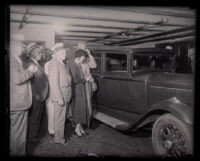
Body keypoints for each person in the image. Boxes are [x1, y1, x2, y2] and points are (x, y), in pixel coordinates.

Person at [10, 33, 38, 156]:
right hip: (18, 102)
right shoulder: (11, 60)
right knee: (19, 134)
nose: (22, 48)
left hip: (17, 101)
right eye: (20, 46)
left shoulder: (15, 59)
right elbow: (17, 78)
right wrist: (30, 71)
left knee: (16, 133)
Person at [48, 43, 72, 145]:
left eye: (65, 52)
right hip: (61, 96)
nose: (65, 54)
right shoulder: (54, 64)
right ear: (56, 53)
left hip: (65, 94)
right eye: (62, 53)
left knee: (61, 118)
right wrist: (59, 98)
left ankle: (58, 138)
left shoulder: (62, 63)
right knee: (59, 119)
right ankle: (59, 139)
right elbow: (53, 83)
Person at [25, 42, 49, 140]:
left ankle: (34, 134)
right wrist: (35, 94)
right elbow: (30, 82)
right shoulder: (30, 64)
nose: (41, 55)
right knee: (35, 116)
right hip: (37, 96)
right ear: (34, 54)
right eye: (39, 53)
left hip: (41, 94)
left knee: (38, 116)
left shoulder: (36, 63)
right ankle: (32, 136)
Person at [68, 49, 91, 138]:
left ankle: (80, 128)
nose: (84, 59)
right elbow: (74, 80)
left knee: (82, 110)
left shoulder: (78, 64)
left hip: (81, 89)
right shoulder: (73, 65)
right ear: (80, 57)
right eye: (84, 57)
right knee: (79, 110)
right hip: (77, 91)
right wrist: (85, 79)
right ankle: (77, 130)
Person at [44, 47, 56, 136]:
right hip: (51, 90)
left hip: (58, 90)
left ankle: (56, 127)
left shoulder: (60, 63)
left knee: (57, 111)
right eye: (54, 53)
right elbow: (49, 78)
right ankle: (51, 129)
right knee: (51, 110)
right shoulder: (48, 64)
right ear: (52, 54)